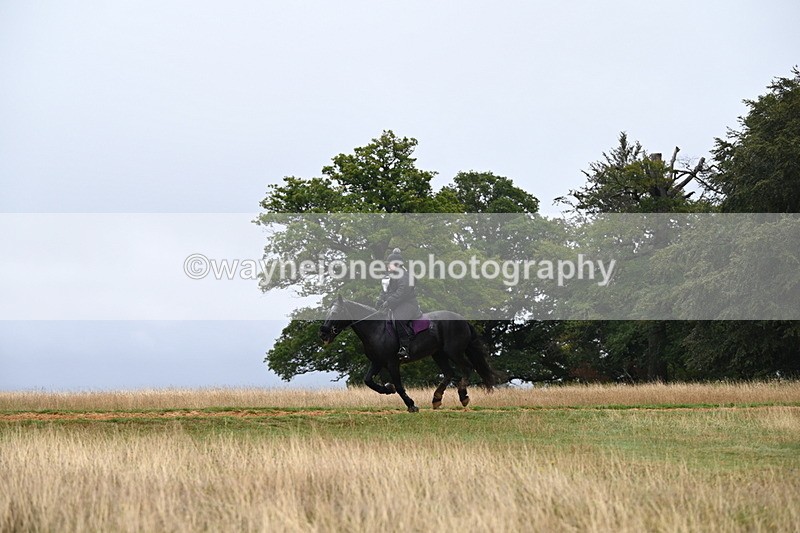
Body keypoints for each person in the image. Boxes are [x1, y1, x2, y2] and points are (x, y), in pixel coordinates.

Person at [375, 248, 422, 359]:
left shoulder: (404, 276)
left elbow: (402, 292)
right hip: (396, 304)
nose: (387, 266)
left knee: (398, 319)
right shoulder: (389, 277)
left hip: (408, 304)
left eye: (389, 264)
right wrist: (380, 300)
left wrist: (389, 301)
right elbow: (384, 291)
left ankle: (405, 347)